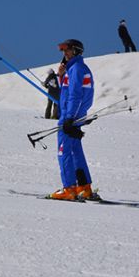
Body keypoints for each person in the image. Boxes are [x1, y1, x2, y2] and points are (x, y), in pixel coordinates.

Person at [50, 39, 97, 200]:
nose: (65, 54)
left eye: (67, 51)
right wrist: (62, 76)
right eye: (63, 51)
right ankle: (84, 187)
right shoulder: (76, 68)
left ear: (76, 51)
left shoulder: (76, 69)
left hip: (70, 117)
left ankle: (69, 189)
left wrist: (69, 118)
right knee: (75, 151)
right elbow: (68, 92)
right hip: (75, 115)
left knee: (63, 151)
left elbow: (76, 95)